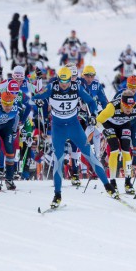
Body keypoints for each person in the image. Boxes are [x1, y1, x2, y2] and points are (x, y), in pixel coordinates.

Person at [32, 67, 117, 208]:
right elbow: (37, 96)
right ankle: (57, 195)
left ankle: (108, 186)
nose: (64, 84)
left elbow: (91, 102)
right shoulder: (52, 87)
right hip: (58, 128)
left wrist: (93, 115)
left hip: (74, 126)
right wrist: (38, 101)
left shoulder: (76, 87)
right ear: (58, 79)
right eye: (62, 81)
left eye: (67, 81)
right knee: (58, 160)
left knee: (91, 156)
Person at [96, 89, 136, 194]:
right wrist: (103, 131)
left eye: (131, 106)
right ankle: (112, 182)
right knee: (115, 150)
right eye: (126, 106)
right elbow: (98, 121)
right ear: (122, 102)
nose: (129, 109)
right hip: (109, 125)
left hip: (124, 125)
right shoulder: (112, 107)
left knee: (126, 151)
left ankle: (128, 182)